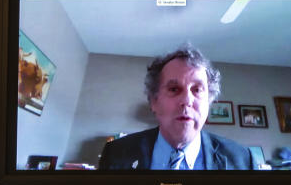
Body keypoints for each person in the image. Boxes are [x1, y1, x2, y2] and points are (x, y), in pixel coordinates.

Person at [98, 44, 254, 170]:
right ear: (154, 101)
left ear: (209, 101)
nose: (187, 100)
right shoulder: (115, 153)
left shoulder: (243, 160)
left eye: (197, 90)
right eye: (174, 89)